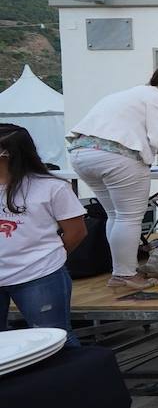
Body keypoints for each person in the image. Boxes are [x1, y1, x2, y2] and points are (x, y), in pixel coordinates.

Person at [67, 67, 158, 289]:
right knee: (128, 217)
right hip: (118, 156)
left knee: (114, 215)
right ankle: (125, 274)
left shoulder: (127, 95)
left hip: (81, 153)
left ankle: (119, 271)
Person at [0, 125, 87, 346]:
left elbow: (76, 232)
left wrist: (49, 258)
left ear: (5, 153)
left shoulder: (50, 187)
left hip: (40, 274)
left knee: (54, 340)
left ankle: (70, 381)